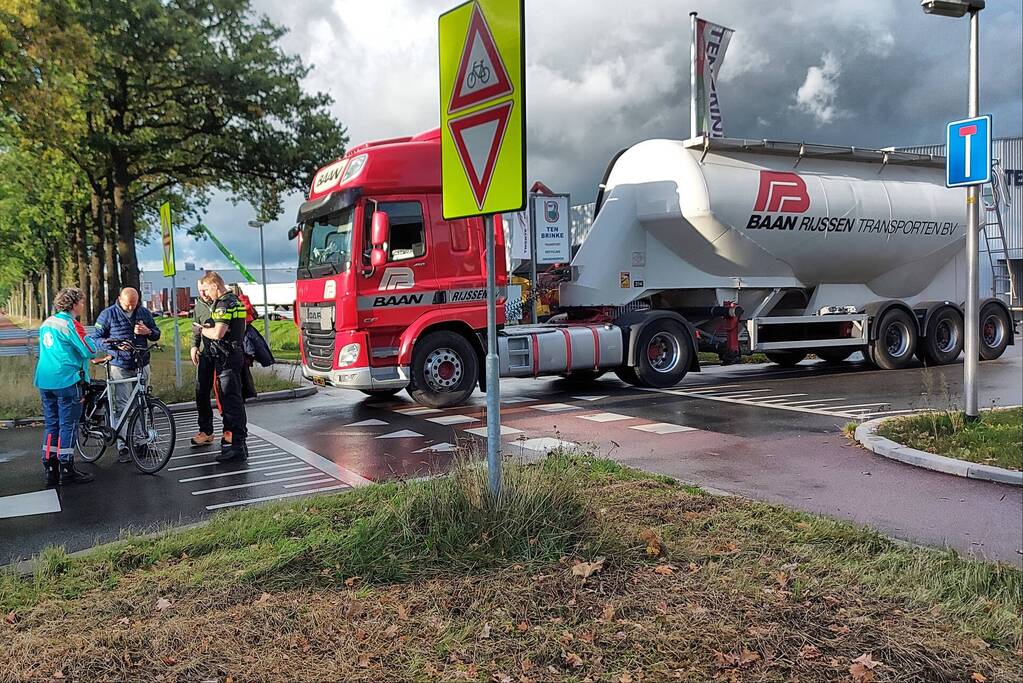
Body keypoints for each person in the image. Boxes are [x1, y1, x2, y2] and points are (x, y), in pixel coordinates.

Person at [33, 287, 97, 486]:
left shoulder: (46, 323)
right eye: (81, 302)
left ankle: (50, 467)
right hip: (66, 380)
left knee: (52, 424)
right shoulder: (71, 324)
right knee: (68, 424)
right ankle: (67, 468)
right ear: (74, 304)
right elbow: (90, 350)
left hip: (45, 379)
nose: (83, 305)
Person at [91, 287, 161, 462]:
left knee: (142, 403)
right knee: (122, 405)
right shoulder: (108, 315)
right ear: (119, 299)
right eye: (127, 304)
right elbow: (96, 338)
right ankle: (123, 445)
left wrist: (148, 332)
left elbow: (156, 333)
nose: (131, 308)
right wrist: (114, 346)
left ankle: (141, 441)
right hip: (119, 364)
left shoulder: (144, 312)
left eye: (134, 304)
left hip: (141, 362)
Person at [197, 271, 249, 461]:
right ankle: (239, 444)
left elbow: (218, 333)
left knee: (230, 402)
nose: (207, 295)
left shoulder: (223, 303)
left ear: (214, 286)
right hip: (235, 354)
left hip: (226, 357)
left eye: (206, 290)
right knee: (233, 401)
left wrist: (202, 330)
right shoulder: (235, 300)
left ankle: (237, 447)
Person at [189, 279, 218, 446]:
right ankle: (206, 431)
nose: (203, 293)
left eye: (205, 290)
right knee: (201, 391)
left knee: (224, 392)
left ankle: (230, 431)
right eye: (200, 290)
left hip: (221, 353)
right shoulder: (198, 305)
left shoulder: (221, 303)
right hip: (205, 353)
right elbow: (195, 327)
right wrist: (194, 346)